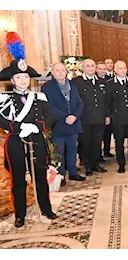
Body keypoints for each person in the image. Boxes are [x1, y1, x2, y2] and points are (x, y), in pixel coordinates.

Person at [0, 32, 58, 227]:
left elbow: (51, 116)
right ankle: (20, 215)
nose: (23, 80)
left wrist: (37, 126)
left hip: (36, 140)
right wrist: (16, 127)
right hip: (16, 141)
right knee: (18, 180)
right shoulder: (5, 99)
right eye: (19, 77)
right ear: (12, 80)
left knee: (40, 177)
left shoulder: (38, 98)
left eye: (25, 76)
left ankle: (46, 208)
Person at [42, 62, 86, 182]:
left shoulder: (72, 85)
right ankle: (60, 176)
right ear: (53, 72)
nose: (61, 73)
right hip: (58, 124)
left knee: (72, 150)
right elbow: (48, 106)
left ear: (66, 72)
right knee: (59, 152)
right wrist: (65, 117)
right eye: (57, 70)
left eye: (63, 70)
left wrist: (75, 116)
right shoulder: (47, 87)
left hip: (73, 124)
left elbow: (79, 103)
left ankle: (72, 173)